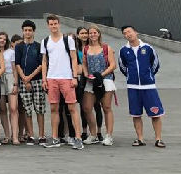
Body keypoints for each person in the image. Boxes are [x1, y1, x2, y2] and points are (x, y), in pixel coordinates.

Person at [40, 15, 84, 150]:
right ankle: (55, 138)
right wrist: (44, 79)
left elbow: (74, 58)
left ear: (59, 24)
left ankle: (78, 138)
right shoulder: (45, 41)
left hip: (66, 77)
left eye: (55, 23)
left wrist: (74, 76)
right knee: (54, 108)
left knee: (72, 108)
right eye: (51, 24)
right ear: (48, 25)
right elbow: (44, 61)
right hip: (51, 78)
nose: (53, 26)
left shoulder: (68, 39)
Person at [118, 25, 165, 148]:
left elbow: (155, 64)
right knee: (136, 114)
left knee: (155, 113)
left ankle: (158, 139)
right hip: (133, 87)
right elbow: (123, 66)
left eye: (129, 31)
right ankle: (140, 138)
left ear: (136, 32)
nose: (128, 34)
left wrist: (148, 75)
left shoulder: (148, 48)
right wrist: (131, 76)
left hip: (149, 86)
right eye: (125, 33)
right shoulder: (123, 50)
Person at [81, 25, 116, 146]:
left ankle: (109, 135)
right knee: (87, 107)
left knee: (106, 107)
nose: (92, 35)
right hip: (91, 81)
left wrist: (101, 75)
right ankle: (93, 134)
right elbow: (84, 64)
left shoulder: (106, 48)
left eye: (95, 32)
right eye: (90, 33)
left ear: (99, 34)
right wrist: (86, 74)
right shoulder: (86, 49)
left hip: (105, 79)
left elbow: (113, 65)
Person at [15, 20, 46, 145]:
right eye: (25, 30)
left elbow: (41, 64)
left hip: (37, 80)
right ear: (22, 31)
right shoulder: (19, 46)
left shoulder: (38, 46)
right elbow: (17, 64)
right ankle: (31, 135)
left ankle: (42, 135)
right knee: (27, 109)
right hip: (24, 81)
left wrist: (30, 77)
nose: (27, 32)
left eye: (30, 30)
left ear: (33, 31)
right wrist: (24, 78)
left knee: (40, 109)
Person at [0, 31, 19, 144]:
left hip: (10, 77)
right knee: (2, 109)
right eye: (0, 38)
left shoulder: (11, 52)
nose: (2, 41)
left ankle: (15, 136)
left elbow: (15, 69)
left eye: (4, 39)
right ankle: (7, 135)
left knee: (13, 108)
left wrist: (16, 83)